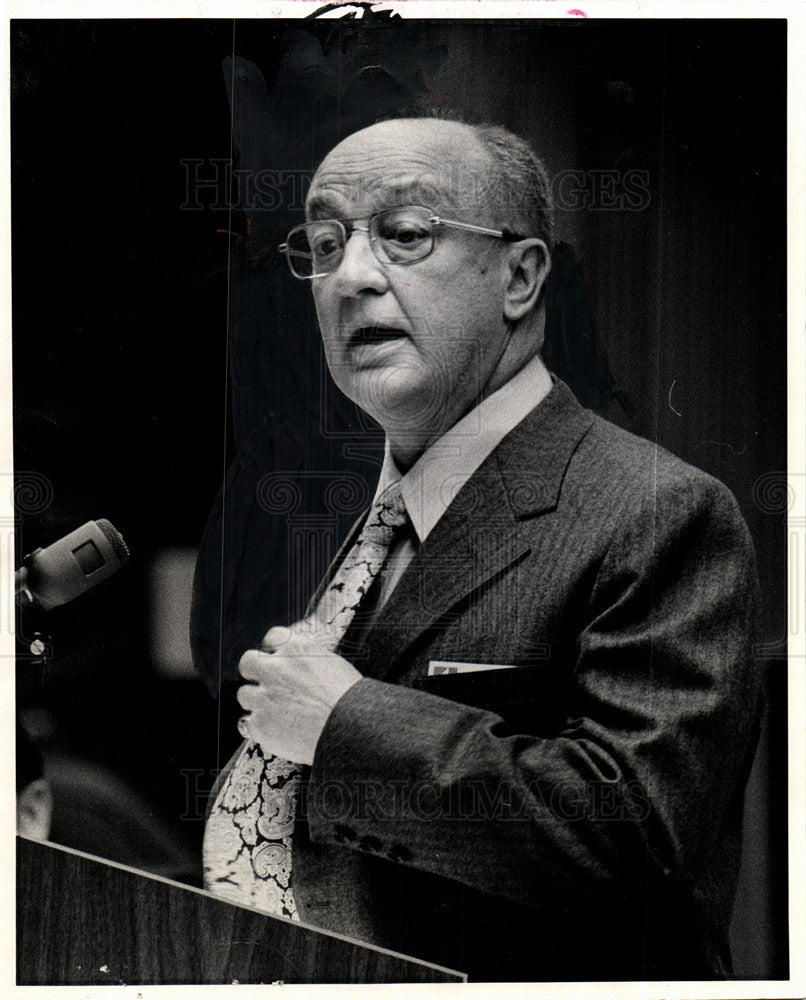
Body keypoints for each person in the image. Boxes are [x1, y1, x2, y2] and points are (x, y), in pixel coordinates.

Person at [201, 117, 761, 981]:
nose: (350, 278)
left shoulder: (660, 511)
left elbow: (637, 837)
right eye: (324, 241)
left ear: (521, 274)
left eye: (406, 235)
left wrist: (348, 726)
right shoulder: (379, 511)